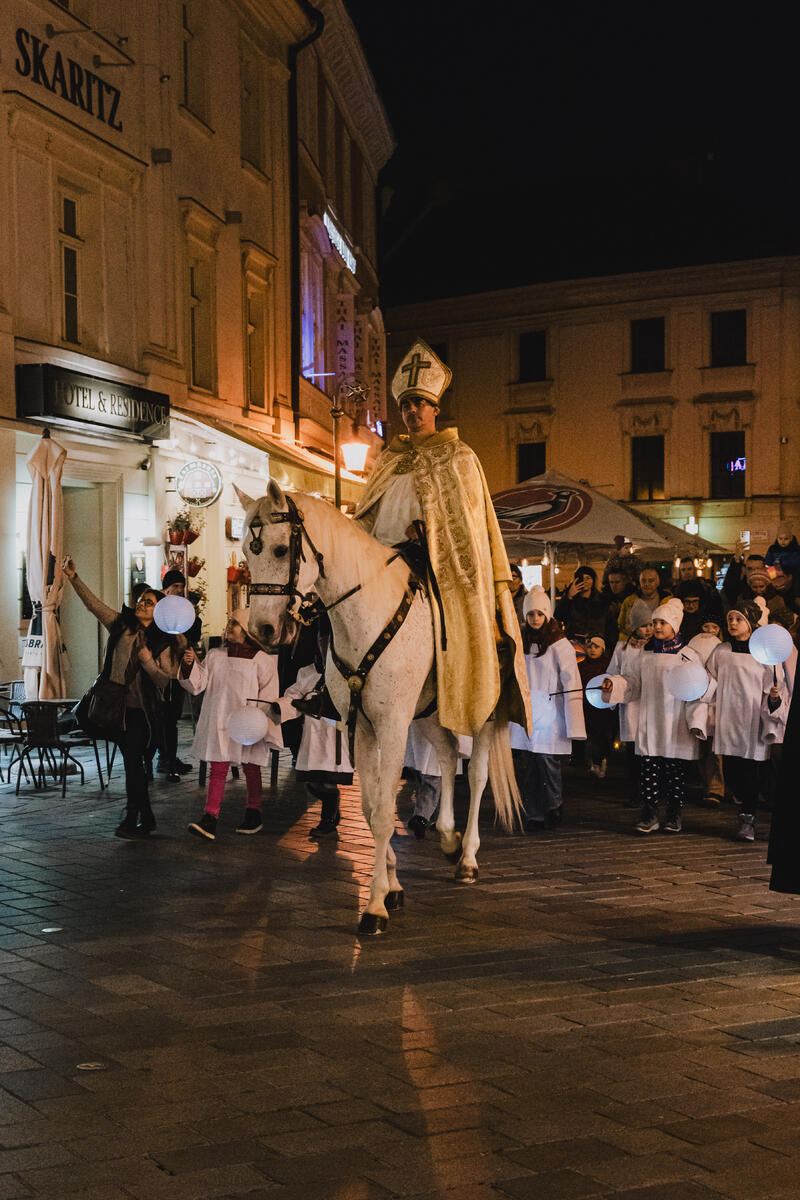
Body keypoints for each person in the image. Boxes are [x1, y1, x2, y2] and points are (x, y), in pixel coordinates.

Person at [354, 339, 530, 738]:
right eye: (406, 405)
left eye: (419, 404)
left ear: (436, 408)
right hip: (382, 561)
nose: (412, 412)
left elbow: (467, 526)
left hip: (433, 563)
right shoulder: (389, 460)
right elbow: (367, 514)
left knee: (455, 616)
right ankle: (330, 690)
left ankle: (465, 684)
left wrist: (429, 537)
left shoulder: (460, 457)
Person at [62, 557, 180, 838]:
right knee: (133, 763)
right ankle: (144, 817)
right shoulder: (120, 624)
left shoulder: (163, 642)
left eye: (149, 602)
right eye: (141, 599)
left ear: (159, 611)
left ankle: (132, 818)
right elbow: (94, 605)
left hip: (140, 713)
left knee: (132, 763)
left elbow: (165, 680)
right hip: (113, 707)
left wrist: (148, 661)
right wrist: (73, 578)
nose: (141, 603)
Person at [688, 599, 787, 842]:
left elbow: (774, 685)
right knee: (732, 770)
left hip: (752, 720)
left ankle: (748, 817)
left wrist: (774, 697)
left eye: (738, 619)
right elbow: (711, 680)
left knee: (751, 770)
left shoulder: (764, 653)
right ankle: (743, 806)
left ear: (750, 623)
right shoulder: (722, 651)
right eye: (730, 619)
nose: (732, 623)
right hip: (728, 719)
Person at [179, 610, 281, 841]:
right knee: (218, 765)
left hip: (249, 721)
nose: (228, 626)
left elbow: (269, 695)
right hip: (220, 717)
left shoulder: (262, 661)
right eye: (228, 622)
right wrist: (189, 666)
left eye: (234, 623)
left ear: (247, 631)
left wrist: (262, 723)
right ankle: (210, 818)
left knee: (251, 766)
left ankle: (254, 812)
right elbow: (199, 683)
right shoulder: (216, 655)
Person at [602, 597, 700, 834]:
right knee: (649, 768)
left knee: (674, 771)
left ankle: (674, 812)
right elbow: (634, 682)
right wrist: (614, 684)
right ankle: (650, 811)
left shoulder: (687, 655)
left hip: (674, 720)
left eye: (662, 622)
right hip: (651, 719)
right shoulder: (645, 654)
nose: (656, 627)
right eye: (654, 622)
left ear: (674, 625)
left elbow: (698, 686)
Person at [510, 586, 585, 830]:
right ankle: (533, 812)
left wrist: (571, 713)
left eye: (539, 614)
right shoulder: (521, 641)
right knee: (528, 763)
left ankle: (553, 804)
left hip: (549, 712)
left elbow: (571, 678)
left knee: (546, 760)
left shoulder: (558, 643)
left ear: (547, 615)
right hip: (528, 710)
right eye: (530, 614)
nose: (535, 620)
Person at [273, 658, 354, 839]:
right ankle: (332, 809)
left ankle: (328, 820)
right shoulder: (307, 671)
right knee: (312, 781)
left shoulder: (347, 668)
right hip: (312, 733)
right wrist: (283, 705)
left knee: (328, 779)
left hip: (335, 732)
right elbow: (293, 695)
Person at [155, 568, 200, 781]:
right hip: (160, 672)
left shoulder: (183, 608)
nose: (180, 590)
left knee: (171, 719)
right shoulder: (159, 609)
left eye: (182, 587)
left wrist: (194, 615)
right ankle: (164, 759)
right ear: (166, 588)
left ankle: (169, 758)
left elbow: (193, 636)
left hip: (177, 672)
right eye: (176, 587)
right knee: (161, 720)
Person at [608, 598, 653, 805]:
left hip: (649, 702)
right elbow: (613, 671)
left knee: (649, 747)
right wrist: (613, 686)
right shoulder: (622, 648)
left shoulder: (654, 648)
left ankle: (650, 788)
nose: (648, 629)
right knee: (633, 747)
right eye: (643, 625)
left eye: (650, 624)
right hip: (631, 704)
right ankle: (635, 788)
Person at [578, 635, 614, 778]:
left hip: (603, 709)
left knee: (602, 736)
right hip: (587, 708)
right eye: (590, 646)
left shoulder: (609, 667)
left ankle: (601, 760)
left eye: (596, 646)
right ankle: (592, 763)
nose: (592, 649)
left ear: (602, 649)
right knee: (590, 736)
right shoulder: (581, 666)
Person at [617, 565, 672, 640]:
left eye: (651, 581)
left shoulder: (668, 602)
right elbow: (621, 625)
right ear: (639, 582)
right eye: (643, 580)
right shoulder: (629, 602)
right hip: (635, 645)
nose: (646, 584)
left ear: (658, 582)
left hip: (660, 645)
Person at [554, 565, 607, 643]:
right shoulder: (571, 599)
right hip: (575, 642)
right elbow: (558, 616)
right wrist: (568, 596)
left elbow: (607, 624)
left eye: (588, 578)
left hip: (595, 644)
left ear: (593, 580)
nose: (585, 581)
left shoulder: (601, 601)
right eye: (582, 578)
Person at [508, 563, 527, 632]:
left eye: (514, 577)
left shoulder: (527, 600)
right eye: (508, 577)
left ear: (521, 581)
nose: (510, 581)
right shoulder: (500, 600)